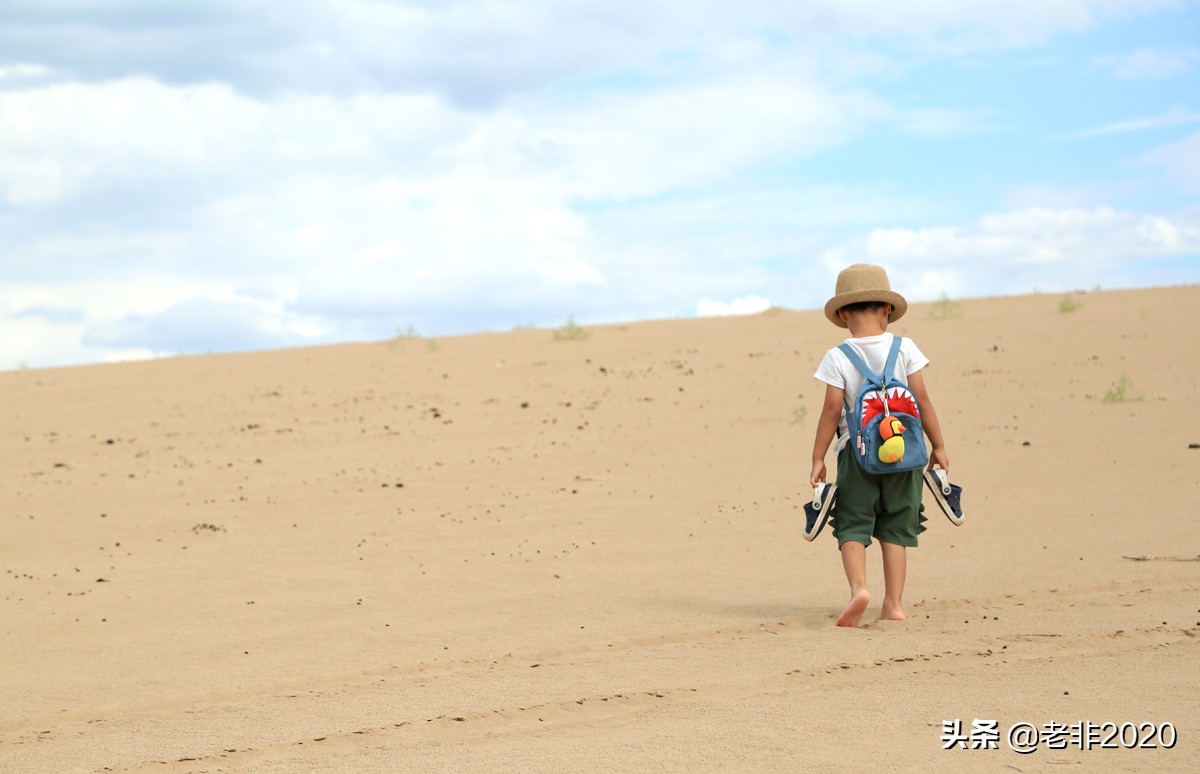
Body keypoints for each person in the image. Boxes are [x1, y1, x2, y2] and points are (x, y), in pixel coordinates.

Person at [809, 264, 949, 627]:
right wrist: (939, 446)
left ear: (842, 315)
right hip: (906, 453)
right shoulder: (906, 348)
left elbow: (831, 409)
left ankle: (859, 589)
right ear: (887, 310)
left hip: (857, 456)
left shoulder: (838, 356)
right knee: (897, 525)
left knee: (853, 523)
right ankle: (894, 603)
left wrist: (818, 457)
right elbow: (922, 400)